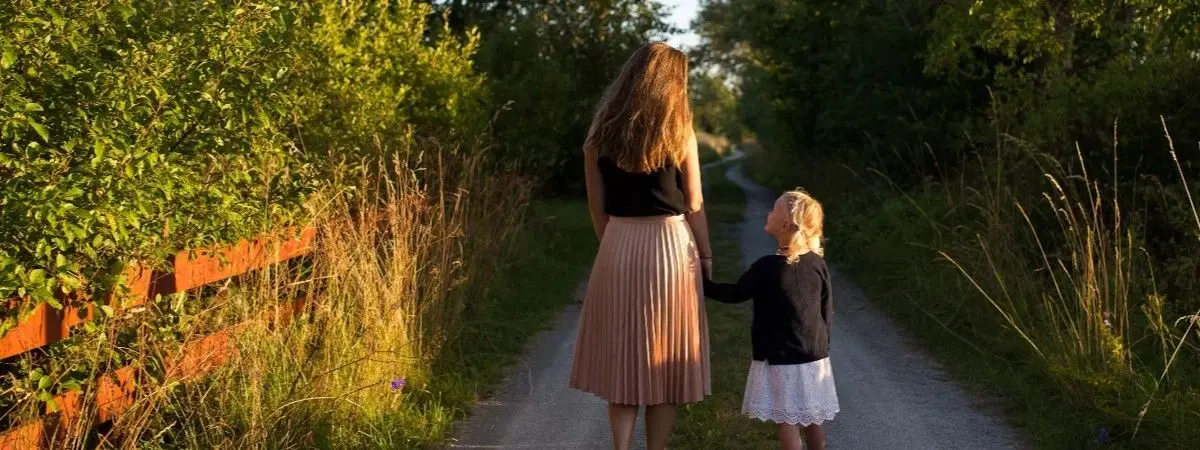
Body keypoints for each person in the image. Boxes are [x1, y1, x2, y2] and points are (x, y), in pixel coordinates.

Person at [568, 42, 713, 450]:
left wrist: (611, 244)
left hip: (618, 243)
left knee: (623, 356)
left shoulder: (600, 134)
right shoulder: (679, 130)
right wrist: (706, 256)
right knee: (664, 357)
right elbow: (695, 203)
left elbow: (596, 205)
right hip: (670, 245)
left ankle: (620, 447)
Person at [703, 190, 840, 450]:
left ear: (786, 224)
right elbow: (826, 307)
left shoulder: (767, 267)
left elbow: (734, 294)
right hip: (815, 355)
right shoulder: (817, 264)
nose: (768, 212)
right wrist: (823, 347)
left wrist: (700, 283)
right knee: (813, 416)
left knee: (785, 419)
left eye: (773, 209)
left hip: (781, 357)